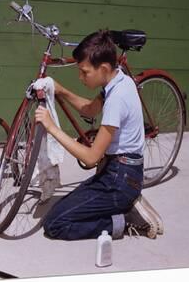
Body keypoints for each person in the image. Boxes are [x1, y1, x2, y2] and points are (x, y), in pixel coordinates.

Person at [36, 30, 163, 240]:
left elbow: (91, 157)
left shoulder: (117, 99)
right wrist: (61, 90)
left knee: (55, 224)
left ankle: (128, 220)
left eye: (84, 72)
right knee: (63, 210)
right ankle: (124, 205)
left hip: (119, 180)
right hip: (119, 173)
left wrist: (52, 128)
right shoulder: (118, 80)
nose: (80, 77)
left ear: (103, 68)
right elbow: (89, 110)